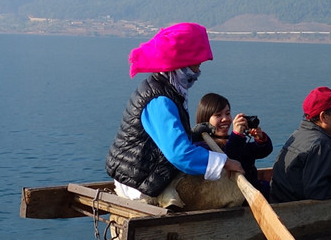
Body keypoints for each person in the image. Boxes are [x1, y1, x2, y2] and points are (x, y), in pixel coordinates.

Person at [104, 23, 244, 206]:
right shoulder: (159, 99)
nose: (199, 70)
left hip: (145, 172)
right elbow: (179, 154)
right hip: (139, 181)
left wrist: (192, 135)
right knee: (233, 192)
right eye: (197, 64)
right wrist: (225, 162)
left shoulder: (167, 88)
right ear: (182, 62)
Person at [192, 92, 273, 193]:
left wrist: (260, 139)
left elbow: (262, 151)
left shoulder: (231, 140)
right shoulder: (202, 147)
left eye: (227, 113)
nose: (225, 119)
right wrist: (237, 135)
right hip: (237, 199)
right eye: (218, 115)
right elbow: (228, 159)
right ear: (205, 119)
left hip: (254, 189)